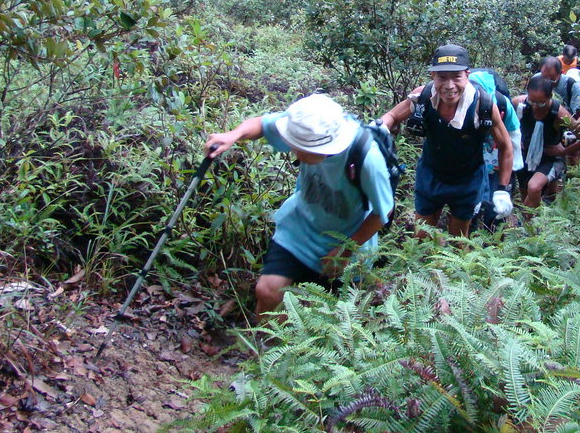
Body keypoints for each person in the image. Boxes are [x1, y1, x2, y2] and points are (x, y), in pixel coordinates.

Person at [206, 93, 393, 317]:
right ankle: (263, 336)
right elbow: (262, 125)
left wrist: (344, 251)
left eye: (301, 149)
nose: (293, 151)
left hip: (346, 241)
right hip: (299, 228)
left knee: (328, 317)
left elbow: (383, 211)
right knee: (267, 292)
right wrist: (233, 135)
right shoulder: (304, 125)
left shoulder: (367, 159)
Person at [380, 45, 514, 238]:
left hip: (468, 180)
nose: (449, 86)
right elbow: (392, 115)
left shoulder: (482, 104)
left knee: (459, 239)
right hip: (431, 174)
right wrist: (378, 128)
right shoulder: (423, 96)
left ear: (467, 75)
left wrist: (502, 189)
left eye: (456, 77)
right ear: (433, 76)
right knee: (422, 236)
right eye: (442, 77)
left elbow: (505, 146)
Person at [512, 75, 580, 208]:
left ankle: (526, 218)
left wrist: (564, 151)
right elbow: (503, 123)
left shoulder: (558, 113)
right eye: (532, 101)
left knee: (534, 187)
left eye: (541, 103)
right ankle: (532, 219)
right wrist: (514, 139)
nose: (536, 106)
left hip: (549, 158)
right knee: (526, 195)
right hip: (524, 156)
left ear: (550, 96)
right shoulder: (518, 103)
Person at [469, 68, 523, 230]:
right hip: (473, 163)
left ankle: (494, 237)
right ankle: (468, 237)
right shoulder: (460, 104)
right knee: (471, 206)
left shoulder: (502, 104)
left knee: (495, 208)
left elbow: (513, 139)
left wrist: (504, 187)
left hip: (496, 163)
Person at [535, 56, 580, 121]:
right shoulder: (536, 81)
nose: (547, 81)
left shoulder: (569, 83)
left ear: (560, 73)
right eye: (544, 77)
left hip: (565, 120)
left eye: (551, 78)